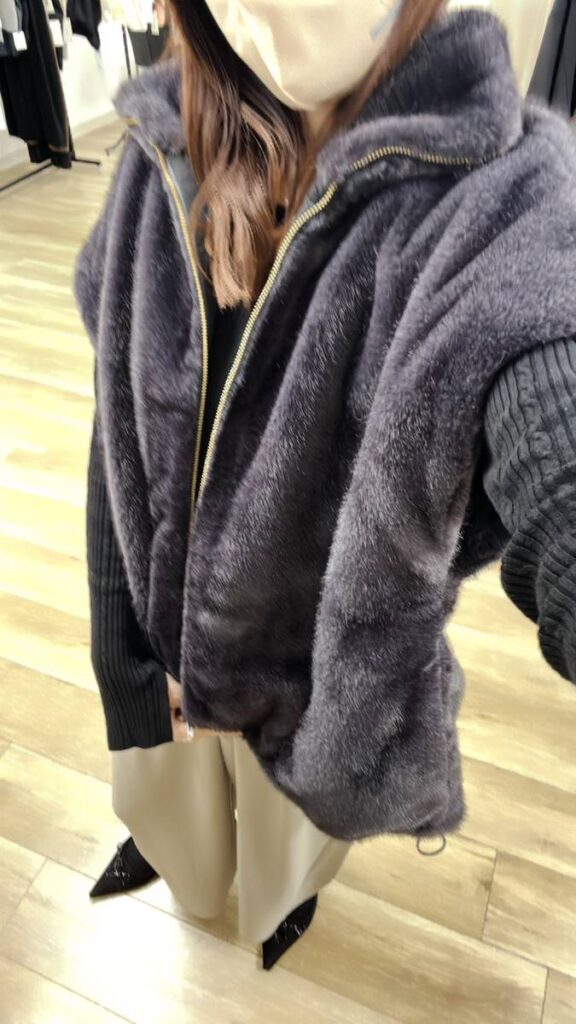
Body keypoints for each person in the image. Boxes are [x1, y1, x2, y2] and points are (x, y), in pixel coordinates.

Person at [76, 0, 576, 970]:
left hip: (308, 699)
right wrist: (121, 660)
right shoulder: (157, 147)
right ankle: (176, 860)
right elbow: (116, 430)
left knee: (283, 857)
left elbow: (551, 419)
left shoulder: (499, 196)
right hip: (162, 659)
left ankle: (281, 907)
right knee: (174, 823)